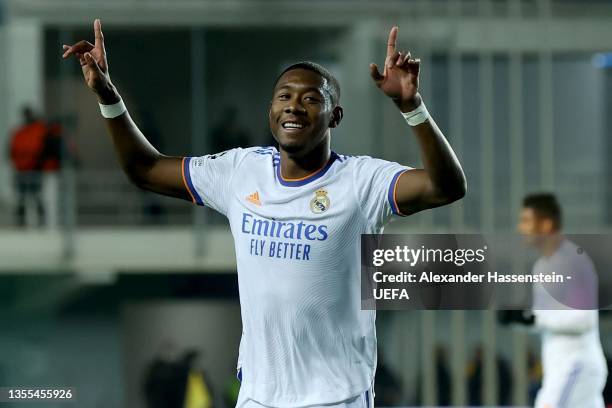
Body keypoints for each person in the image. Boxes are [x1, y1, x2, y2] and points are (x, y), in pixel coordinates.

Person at [62, 20, 466, 408]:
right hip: (258, 396)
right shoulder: (240, 172)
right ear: (271, 110)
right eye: (284, 96)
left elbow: (446, 186)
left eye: (311, 98)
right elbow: (144, 169)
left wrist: (412, 107)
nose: (294, 106)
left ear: (334, 117)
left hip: (334, 397)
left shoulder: (362, 181)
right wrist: (107, 96)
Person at [509, 193, 608, 408]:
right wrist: (518, 319)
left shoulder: (572, 262)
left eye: (526, 221)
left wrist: (533, 319)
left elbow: (584, 321)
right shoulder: (542, 267)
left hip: (575, 366)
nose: (521, 228)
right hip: (562, 369)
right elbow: (546, 320)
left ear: (545, 225)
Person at [8, 106, 47, 226]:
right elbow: (11, 151)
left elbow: (42, 149)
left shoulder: (39, 130)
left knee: (37, 197)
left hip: (34, 170)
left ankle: (41, 222)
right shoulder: (19, 133)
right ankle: (21, 223)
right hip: (21, 171)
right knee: (22, 199)